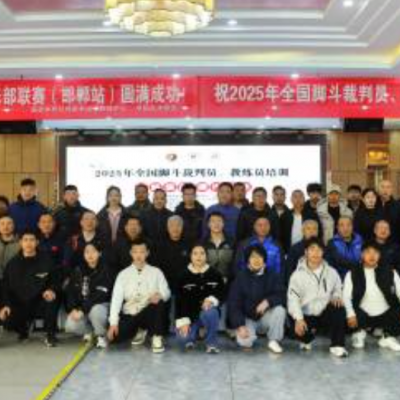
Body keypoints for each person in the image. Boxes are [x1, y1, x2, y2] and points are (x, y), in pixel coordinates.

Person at [288, 238, 348, 358]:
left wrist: (336, 295)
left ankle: (337, 345)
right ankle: (307, 338)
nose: (316, 253)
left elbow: (338, 288)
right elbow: (293, 299)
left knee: (338, 307)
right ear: (306, 252)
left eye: (319, 250)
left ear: (323, 252)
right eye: (312, 249)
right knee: (297, 330)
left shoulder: (331, 272)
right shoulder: (297, 275)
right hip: (305, 316)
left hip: (324, 314)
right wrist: (299, 319)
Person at [107, 239, 170, 353]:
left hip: (148, 313)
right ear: (131, 253)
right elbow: (116, 300)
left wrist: (160, 295)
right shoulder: (123, 274)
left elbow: (167, 292)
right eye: (135, 251)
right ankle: (140, 331)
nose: (138, 255)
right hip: (130, 315)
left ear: (147, 253)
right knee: (114, 338)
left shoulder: (156, 272)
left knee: (159, 303)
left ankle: (156, 336)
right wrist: (113, 324)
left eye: (142, 251)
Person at [0, 231, 61, 347]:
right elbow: (5, 287)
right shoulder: (12, 264)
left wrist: (51, 289)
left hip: (40, 302)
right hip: (20, 303)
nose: (28, 243)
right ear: (20, 243)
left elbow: (56, 279)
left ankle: (50, 335)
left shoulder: (47, 260)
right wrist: (5, 305)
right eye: (25, 240)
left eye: (32, 240)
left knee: (51, 299)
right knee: (7, 322)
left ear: (37, 242)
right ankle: (23, 330)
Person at [228, 244, 286, 354]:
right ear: (248, 260)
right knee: (245, 342)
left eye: (259, 256)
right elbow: (234, 304)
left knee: (280, 310)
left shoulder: (272, 275)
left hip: (265, 317)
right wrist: (240, 325)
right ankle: (241, 331)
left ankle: (274, 340)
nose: (256, 260)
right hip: (248, 318)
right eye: (253, 257)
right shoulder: (240, 277)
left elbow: (282, 294)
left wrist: (268, 301)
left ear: (264, 259)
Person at [344, 242, 400, 352]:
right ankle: (359, 333)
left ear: (380, 255)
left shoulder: (391, 272)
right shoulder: (352, 273)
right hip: (362, 315)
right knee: (346, 310)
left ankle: (387, 337)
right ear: (362, 255)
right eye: (368, 252)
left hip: (386, 314)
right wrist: (350, 314)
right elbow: (346, 297)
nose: (372, 256)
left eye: (375, 252)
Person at [175, 244, 225, 354]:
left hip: (207, 313)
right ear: (190, 256)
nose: (199, 256)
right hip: (190, 317)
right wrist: (183, 321)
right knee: (182, 339)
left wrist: (211, 300)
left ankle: (211, 343)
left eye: (202, 253)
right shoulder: (182, 275)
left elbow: (222, 293)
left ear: (206, 256)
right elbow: (179, 301)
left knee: (211, 312)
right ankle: (195, 334)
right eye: (195, 253)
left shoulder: (215, 274)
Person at [65, 243, 114, 349]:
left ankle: (101, 335)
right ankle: (91, 332)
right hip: (83, 307)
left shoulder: (106, 269)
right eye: (87, 252)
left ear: (99, 253)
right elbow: (71, 292)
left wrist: (82, 310)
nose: (90, 255)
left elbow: (99, 295)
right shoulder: (78, 270)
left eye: (93, 251)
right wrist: (72, 308)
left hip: (101, 305)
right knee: (70, 325)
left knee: (96, 311)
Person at [280, 189, 321, 253]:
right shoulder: (285, 216)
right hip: (289, 250)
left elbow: (319, 232)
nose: (298, 199)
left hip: (308, 250)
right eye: (295, 197)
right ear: (291, 199)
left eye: (300, 197)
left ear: (304, 199)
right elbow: (281, 236)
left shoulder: (312, 215)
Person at [326, 216, 363, 281]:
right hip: (340, 279)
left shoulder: (360, 241)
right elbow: (339, 261)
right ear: (337, 228)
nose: (345, 228)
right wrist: (359, 266)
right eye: (342, 225)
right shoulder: (331, 243)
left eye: (348, 225)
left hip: (359, 277)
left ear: (352, 227)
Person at [284, 220, 319, 284]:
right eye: (308, 229)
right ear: (303, 231)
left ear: (317, 232)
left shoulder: (324, 249)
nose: (312, 231)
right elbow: (289, 270)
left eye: (314, 229)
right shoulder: (295, 249)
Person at [203, 212, 235, 282]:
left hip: (228, 282)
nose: (216, 224)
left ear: (223, 223)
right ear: (208, 224)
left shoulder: (232, 242)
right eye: (213, 221)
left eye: (219, 221)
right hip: (207, 281)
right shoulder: (202, 243)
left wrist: (228, 277)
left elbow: (235, 264)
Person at [37, 213, 67, 282]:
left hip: (56, 277)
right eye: (43, 222)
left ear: (54, 224)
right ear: (38, 225)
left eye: (49, 222)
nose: (46, 225)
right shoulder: (34, 240)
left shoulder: (62, 240)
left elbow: (65, 262)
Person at [0, 216, 20, 300]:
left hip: (14, 283)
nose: (6, 226)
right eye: (2, 224)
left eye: (9, 223)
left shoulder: (21, 243)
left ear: (14, 226)